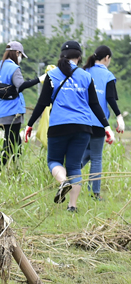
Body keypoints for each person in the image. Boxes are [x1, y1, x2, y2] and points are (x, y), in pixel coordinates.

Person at [24, 40, 114, 213]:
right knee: (74, 166)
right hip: (83, 128)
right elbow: (95, 105)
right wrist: (107, 127)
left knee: (54, 161)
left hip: (60, 126)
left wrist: (29, 125)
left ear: (62, 56)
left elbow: (42, 103)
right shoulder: (86, 76)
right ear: (79, 57)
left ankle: (63, 182)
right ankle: (72, 206)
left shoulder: (52, 75)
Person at [0, 41, 41, 182]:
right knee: (9, 145)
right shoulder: (14, 68)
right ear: (17, 53)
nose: (21, 58)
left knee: (17, 142)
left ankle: (16, 173)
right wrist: (39, 80)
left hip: (2, 114)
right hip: (13, 113)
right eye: (21, 55)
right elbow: (21, 86)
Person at [81, 45, 125, 201]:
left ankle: (67, 173)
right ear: (107, 58)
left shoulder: (85, 72)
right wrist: (119, 117)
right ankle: (94, 194)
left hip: (82, 121)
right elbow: (110, 99)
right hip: (99, 122)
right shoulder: (108, 76)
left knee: (86, 153)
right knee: (96, 158)